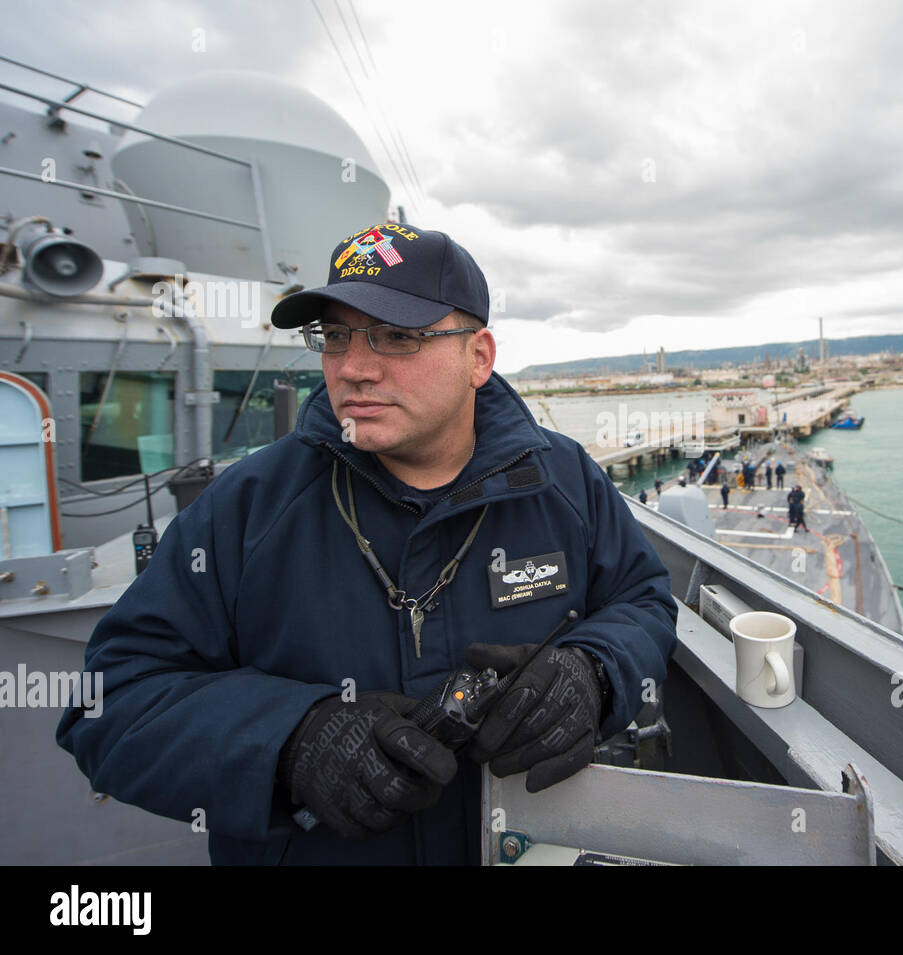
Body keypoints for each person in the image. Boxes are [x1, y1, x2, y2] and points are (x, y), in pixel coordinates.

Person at [55, 223, 679, 865]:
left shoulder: (563, 480)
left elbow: (643, 603)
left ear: (479, 357)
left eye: (397, 337)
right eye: (334, 337)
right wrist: (291, 741)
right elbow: (110, 706)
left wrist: (595, 673)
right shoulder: (246, 508)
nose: (353, 366)